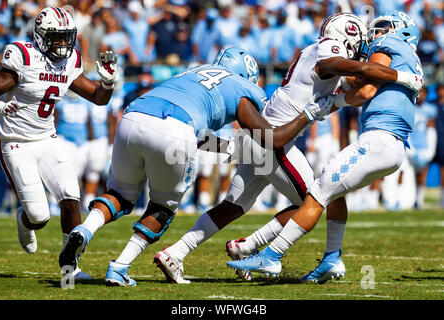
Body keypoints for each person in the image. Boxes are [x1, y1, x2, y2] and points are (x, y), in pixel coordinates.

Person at [154, 13, 424, 284]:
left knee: (231, 207)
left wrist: (346, 95)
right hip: (275, 138)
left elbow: (356, 89)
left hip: (260, 135)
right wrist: (404, 77)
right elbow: (357, 71)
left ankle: (176, 253)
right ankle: (249, 247)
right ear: (348, 35)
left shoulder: (319, 56)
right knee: (314, 200)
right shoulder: (329, 49)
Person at [59, 46, 332, 286]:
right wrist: (306, 115)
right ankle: (119, 267)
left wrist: (230, 148)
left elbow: (199, 133)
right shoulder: (244, 89)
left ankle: (85, 229)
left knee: (119, 195)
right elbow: (274, 139)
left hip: (133, 116)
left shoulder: (192, 72)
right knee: (162, 207)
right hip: (175, 128)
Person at [0, 7, 118, 280]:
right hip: (17, 142)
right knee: (39, 217)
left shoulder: (70, 61)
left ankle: (70, 269)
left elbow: (98, 98)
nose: (63, 43)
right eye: (56, 37)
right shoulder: (23, 56)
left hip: (47, 139)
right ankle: (24, 220)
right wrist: (1, 107)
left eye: (66, 37)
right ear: (40, 36)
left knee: (71, 198)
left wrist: (108, 83)